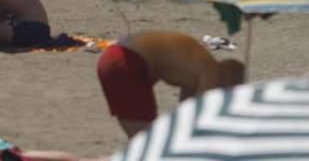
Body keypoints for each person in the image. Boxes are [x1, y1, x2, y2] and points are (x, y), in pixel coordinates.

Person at [97, 31, 244, 138]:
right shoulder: (210, 72)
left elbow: (184, 119)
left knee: (144, 144)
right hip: (129, 63)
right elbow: (198, 123)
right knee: (148, 145)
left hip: (117, 56)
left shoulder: (197, 66)